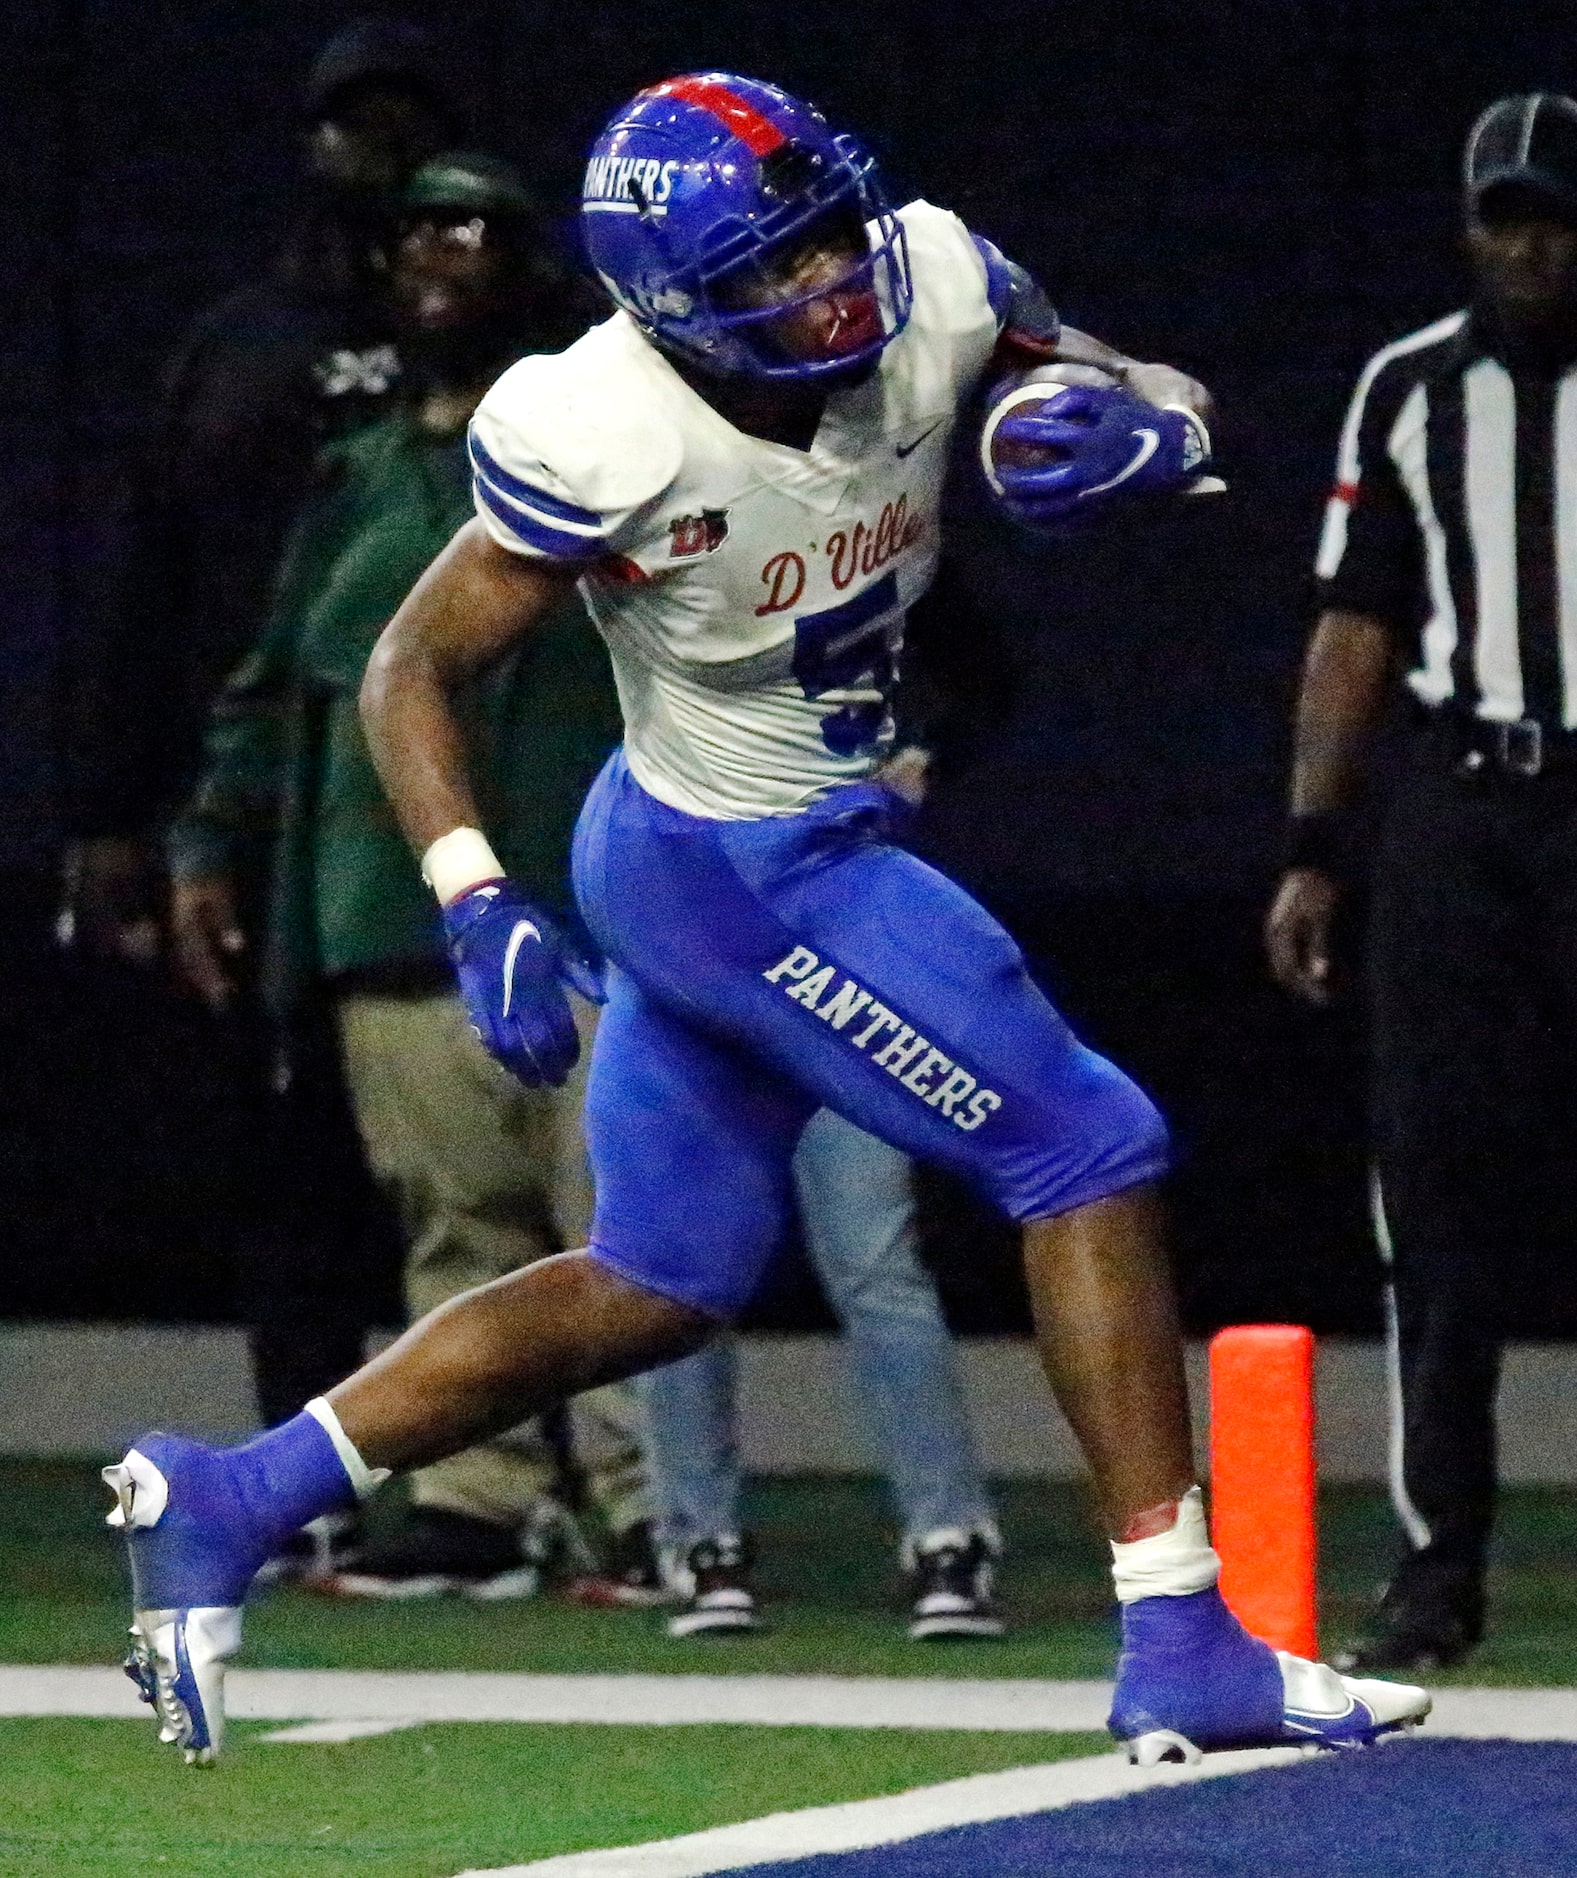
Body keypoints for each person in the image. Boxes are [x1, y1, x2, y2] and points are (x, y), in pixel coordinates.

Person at [107, 71, 1427, 1767]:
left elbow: (1138, 376)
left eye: (828, 238)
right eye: (774, 273)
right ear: (670, 308)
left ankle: (232, 1494)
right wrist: (468, 886)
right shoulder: (602, 423)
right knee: (1086, 1142)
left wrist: (1150, 425)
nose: (828, 286)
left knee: (660, 1278)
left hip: (758, 836)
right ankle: (1178, 1633)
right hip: (735, 863)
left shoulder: (935, 273)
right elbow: (410, 662)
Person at [168, 152, 655, 1602]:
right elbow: (271, 689)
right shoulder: (353, 482)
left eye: (472, 232)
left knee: (627, 1228)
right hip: (390, 911)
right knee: (453, 1224)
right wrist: (209, 839)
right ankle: (478, 1501)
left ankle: (655, 1502)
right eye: (415, 237)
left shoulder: (603, 456)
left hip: (590, 907)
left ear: (530, 267)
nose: (437, 257)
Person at [66, 20, 464, 1571]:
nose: (371, 157)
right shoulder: (240, 346)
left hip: (467, 813)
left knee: (501, 1169)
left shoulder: (519, 349)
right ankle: (311, 1490)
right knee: (293, 1149)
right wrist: (123, 816)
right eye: (345, 123)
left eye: (404, 125)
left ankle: (507, 1497)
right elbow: (156, 593)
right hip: (279, 817)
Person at [1266, 92, 1577, 1672]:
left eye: (1556, 216)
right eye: (1505, 215)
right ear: (1467, 223)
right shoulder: (1409, 389)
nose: (1530, 244)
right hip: (1463, 807)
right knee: (1437, 1193)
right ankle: (1435, 1559)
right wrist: (1316, 841)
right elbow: (1356, 623)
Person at [645, 1105, 1002, 1640]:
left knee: (879, 1274)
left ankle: (948, 1536)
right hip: (696, 1030)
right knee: (683, 1278)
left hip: (838, 1027)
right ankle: (700, 1540)